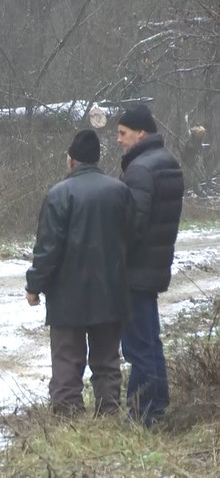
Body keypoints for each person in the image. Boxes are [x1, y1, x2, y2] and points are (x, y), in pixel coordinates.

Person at [25, 130, 135, 418]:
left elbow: (48, 249)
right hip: (111, 292)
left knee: (67, 361)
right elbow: (133, 241)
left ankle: (67, 416)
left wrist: (34, 286)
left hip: (67, 295)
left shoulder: (58, 194)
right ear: (97, 159)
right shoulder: (120, 192)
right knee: (107, 360)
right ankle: (108, 412)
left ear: (71, 161)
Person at [117, 104, 184, 427]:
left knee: (138, 346)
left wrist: (114, 254)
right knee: (151, 338)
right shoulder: (167, 162)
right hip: (155, 265)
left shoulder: (140, 170)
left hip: (135, 270)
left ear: (140, 133)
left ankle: (141, 415)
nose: (118, 140)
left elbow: (134, 225)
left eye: (123, 133)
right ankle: (158, 403)